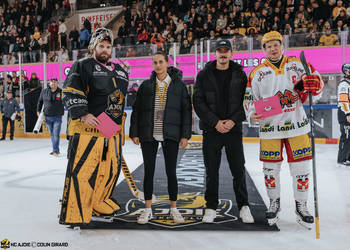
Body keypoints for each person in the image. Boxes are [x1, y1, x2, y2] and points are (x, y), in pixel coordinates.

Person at [244, 31, 324, 228]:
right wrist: (251, 113)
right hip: (270, 129)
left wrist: (317, 86)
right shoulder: (256, 73)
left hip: (298, 126)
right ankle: (274, 203)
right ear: (263, 49)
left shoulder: (297, 64)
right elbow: (248, 99)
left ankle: (302, 206)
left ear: (282, 45)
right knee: (270, 170)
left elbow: (317, 85)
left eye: (276, 44)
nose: (273, 48)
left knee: (302, 169)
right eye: (268, 45)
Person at [59, 28, 129, 225]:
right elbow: (71, 91)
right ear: (93, 47)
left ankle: (99, 201)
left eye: (108, 46)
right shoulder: (82, 66)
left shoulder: (120, 71)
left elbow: (120, 101)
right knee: (84, 170)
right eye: (101, 46)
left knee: (109, 170)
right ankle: (76, 211)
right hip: (88, 128)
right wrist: (83, 113)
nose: (105, 50)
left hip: (111, 129)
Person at [193, 39, 254, 224]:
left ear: (231, 54)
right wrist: (215, 122)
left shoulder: (241, 75)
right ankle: (211, 207)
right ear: (215, 54)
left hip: (233, 130)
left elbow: (248, 102)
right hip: (212, 131)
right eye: (219, 50)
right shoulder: (203, 75)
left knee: (238, 170)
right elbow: (198, 102)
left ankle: (244, 206)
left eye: (226, 50)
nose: (223, 53)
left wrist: (233, 121)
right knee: (212, 170)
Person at [129, 51, 192, 224]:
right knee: (148, 172)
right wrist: (134, 132)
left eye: (161, 62)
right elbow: (137, 111)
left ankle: (174, 208)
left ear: (167, 63)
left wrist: (185, 135)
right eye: (155, 62)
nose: (158, 65)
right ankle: (147, 209)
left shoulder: (179, 86)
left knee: (171, 172)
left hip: (171, 134)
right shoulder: (146, 86)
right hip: (149, 133)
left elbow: (187, 112)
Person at [37, 78, 64, 156]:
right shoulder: (44, 91)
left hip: (57, 116)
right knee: (52, 134)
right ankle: (56, 149)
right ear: (49, 83)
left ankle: (55, 151)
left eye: (55, 82)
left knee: (56, 134)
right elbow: (40, 101)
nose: (53, 84)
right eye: (52, 82)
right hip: (47, 117)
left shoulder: (61, 92)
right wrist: (38, 111)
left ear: (57, 83)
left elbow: (66, 101)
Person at [337, 63, 350, 167]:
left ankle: (348, 158)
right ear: (345, 71)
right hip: (345, 114)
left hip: (348, 113)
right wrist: (348, 113)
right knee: (346, 137)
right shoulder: (344, 84)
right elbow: (343, 101)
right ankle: (341, 159)